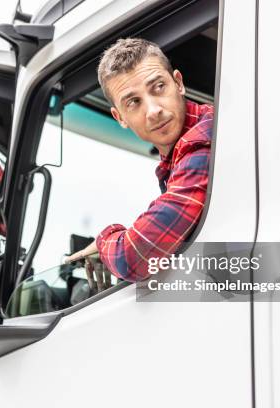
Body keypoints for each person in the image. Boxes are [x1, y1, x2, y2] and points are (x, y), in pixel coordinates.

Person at [65, 38, 213, 283]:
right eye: (134, 102)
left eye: (158, 87)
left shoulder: (203, 140)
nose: (153, 110)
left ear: (178, 83)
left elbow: (134, 258)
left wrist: (105, 240)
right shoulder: (178, 157)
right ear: (120, 117)